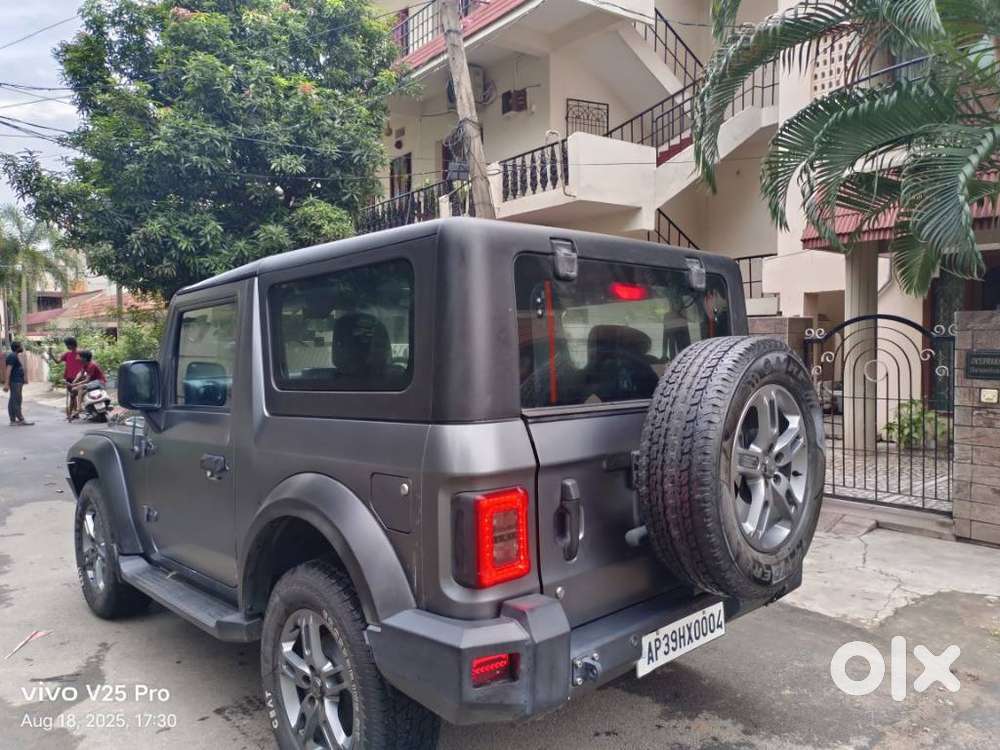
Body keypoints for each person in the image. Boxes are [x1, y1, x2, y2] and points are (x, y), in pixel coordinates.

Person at [68, 350, 107, 420]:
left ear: (84, 358)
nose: (77, 358)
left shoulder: (91, 365)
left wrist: (75, 384)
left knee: (80, 387)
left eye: (79, 357)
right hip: (92, 383)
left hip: (99, 382)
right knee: (74, 392)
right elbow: (81, 374)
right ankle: (78, 412)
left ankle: (79, 408)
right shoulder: (84, 364)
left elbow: (87, 380)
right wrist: (73, 382)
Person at [4, 341, 33, 426]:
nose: (22, 348)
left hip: (17, 381)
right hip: (15, 382)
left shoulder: (14, 356)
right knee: (16, 400)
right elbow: (8, 370)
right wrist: (6, 384)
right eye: (21, 346)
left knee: (13, 400)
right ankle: (20, 419)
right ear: (17, 347)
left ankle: (13, 420)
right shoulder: (13, 356)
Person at [59, 336, 83, 420]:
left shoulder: (81, 353)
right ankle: (75, 414)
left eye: (67, 344)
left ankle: (70, 414)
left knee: (73, 396)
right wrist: (50, 354)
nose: (66, 346)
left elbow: (85, 365)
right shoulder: (67, 354)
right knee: (72, 396)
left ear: (71, 344)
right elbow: (58, 361)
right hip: (69, 378)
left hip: (78, 378)